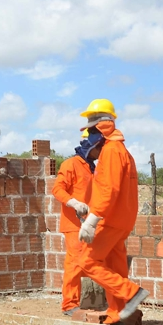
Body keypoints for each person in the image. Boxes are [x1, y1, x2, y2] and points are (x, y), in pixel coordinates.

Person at [74, 99, 148, 324]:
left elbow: (109, 190)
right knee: (115, 266)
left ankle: (131, 292)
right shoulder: (120, 150)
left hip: (110, 218)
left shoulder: (112, 151)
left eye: (90, 125)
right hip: (121, 218)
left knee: (87, 261)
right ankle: (121, 314)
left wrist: (92, 220)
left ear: (99, 125)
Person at [51, 130, 102, 315]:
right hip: (73, 224)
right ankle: (69, 305)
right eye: (99, 148)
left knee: (88, 262)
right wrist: (73, 202)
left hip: (89, 222)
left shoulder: (92, 167)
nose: (101, 152)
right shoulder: (71, 164)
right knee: (74, 263)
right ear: (90, 147)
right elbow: (57, 189)